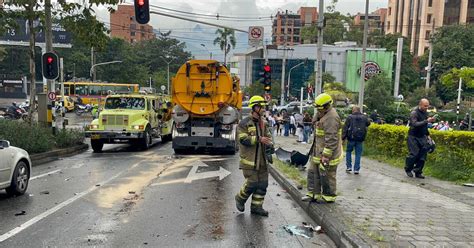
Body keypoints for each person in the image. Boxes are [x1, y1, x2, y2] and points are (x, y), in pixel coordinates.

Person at [235, 95, 273, 216]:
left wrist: (270, 146)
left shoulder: (264, 123)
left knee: (262, 184)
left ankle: (256, 207)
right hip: (250, 161)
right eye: (261, 107)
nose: (263, 109)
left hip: (262, 160)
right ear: (255, 107)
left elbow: (269, 137)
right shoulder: (244, 123)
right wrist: (259, 139)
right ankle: (240, 198)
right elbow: (243, 139)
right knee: (252, 183)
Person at [302, 93, 342, 203]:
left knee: (327, 176)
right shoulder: (322, 114)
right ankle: (313, 194)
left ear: (326, 106)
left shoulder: (332, 118)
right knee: (312, 172)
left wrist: (326, 156)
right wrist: (318, 116)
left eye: (319, 109)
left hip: (327, 154)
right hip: (317, 151)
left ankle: (329, 197)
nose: (318, 111)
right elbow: (314, 123)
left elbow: (332, 139)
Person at [405, 99, 436, 179]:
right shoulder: (414, 113)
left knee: (423, 154)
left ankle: (418, 171)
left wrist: (428, 135)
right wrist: (426, 121)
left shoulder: (425, 113)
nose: (426, 107)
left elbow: (424, 126)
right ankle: (408, 169)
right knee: (414, 154)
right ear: (420, 104)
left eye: (427, 106)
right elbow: (414, 124)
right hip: (413, 136)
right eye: (425, 106)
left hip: (422, 136)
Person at [342, 106, 371, 174]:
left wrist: (343, 138)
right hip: (360, 139)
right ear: (359, 110)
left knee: (348, 152)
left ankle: (349, 167)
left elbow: (345, 128)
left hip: (351, 138)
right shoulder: (364, 117)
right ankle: (356, 169)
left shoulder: (350, 117)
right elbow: (368, 123)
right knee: (358, 154)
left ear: (353, 110)